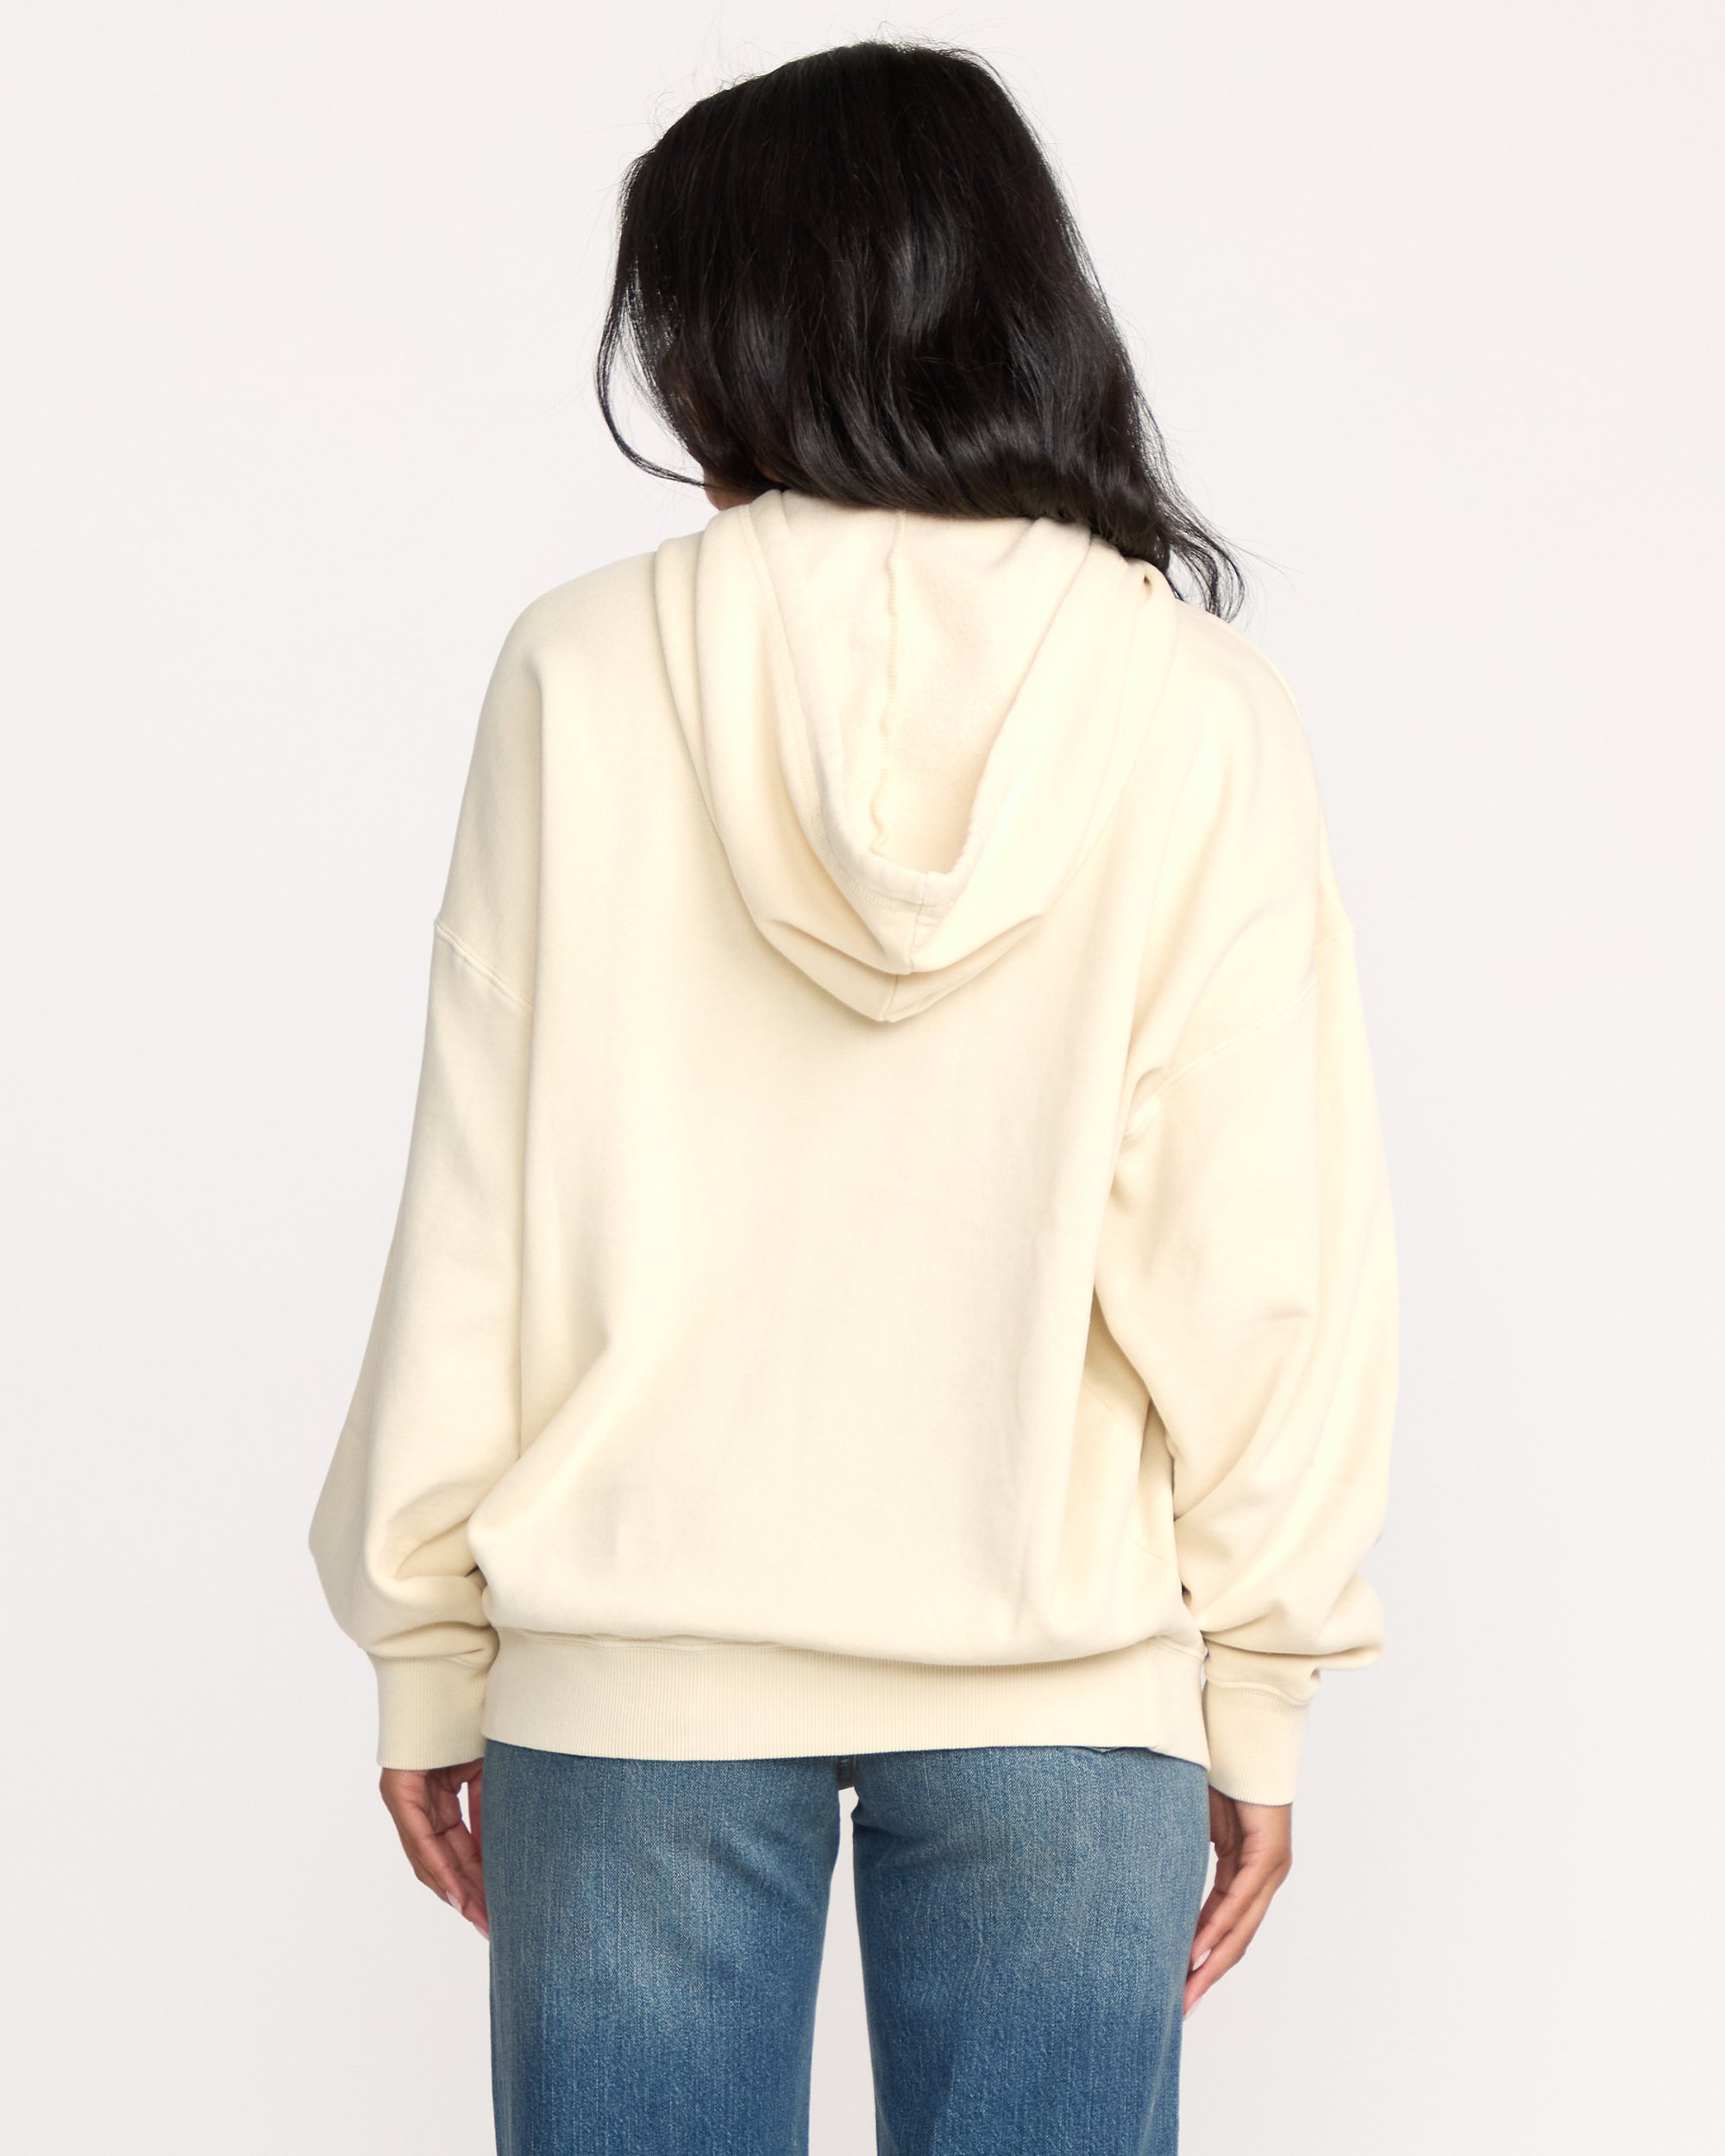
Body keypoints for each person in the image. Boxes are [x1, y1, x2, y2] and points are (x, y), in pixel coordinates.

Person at [308, 37, 1398, 2156]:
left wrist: (425, 1635)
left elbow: (478, 1196)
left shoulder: (583, 668)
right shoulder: (1192, 705)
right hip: (1064, 1673)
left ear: (727, 329)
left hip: (630, 1656)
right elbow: (1255, 1240)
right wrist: (1257, 1672)